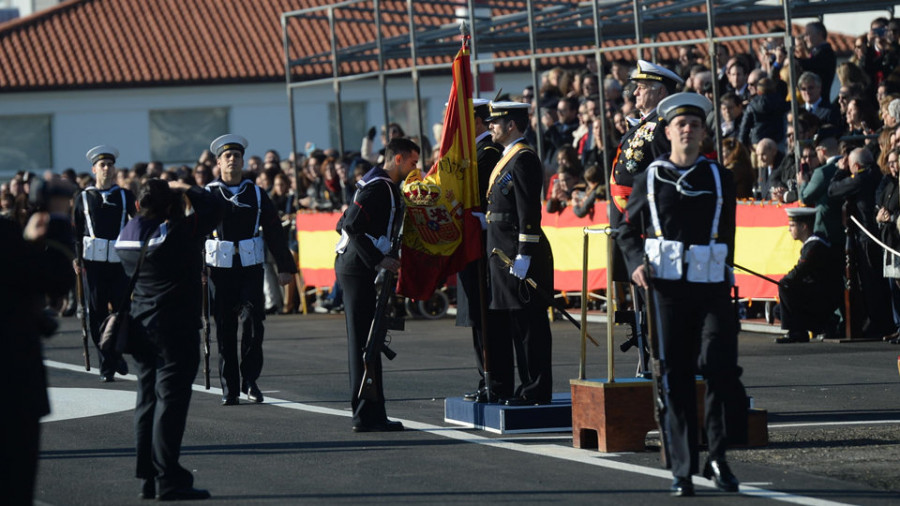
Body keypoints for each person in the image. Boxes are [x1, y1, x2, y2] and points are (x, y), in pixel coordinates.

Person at [618, 92, 745, 496]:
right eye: (681, 125)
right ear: (668, 132)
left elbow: (728, 230)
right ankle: (682, 468)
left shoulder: (718, 177)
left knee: (720, 368)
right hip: (668, 290)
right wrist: (636, 261)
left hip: (711, 288)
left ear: (704, 133)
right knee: (674, 377)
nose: (688, 130)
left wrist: (725, 270)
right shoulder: (651, 177)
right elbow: (623, 229)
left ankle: (718, 458)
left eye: (695, 125)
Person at [116, 178, 222, 501]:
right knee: (170, 405)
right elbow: (216, 209)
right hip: (174, 328)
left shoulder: (126, 235)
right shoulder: (176, 233)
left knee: (146, 401)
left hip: (141, 324)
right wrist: (188, 188)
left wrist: (172, 201)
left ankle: (148, 476)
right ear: (169, 207)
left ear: (136, 205)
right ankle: (168, 477)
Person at [204, 135, 296, 405]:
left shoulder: (255, 193)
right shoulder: (208, 194)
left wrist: (284, 267)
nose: (232, 160)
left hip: (250, 267)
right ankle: (229, 387)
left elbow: (275, 231)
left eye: (237, 156)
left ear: (243, 161)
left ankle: (250, 380)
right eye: (227, 156)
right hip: (219, 271)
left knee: (255, 323)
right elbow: (195, 233)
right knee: (225, 328)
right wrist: (197, 268)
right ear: (218, 162)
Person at [334, 137, 419, 432]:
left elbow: (344, 221)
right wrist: (378, 258)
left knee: (369, 341)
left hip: (358, 265)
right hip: (356, 267)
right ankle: (364, 414)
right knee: (363, 343)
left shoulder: (378, 183)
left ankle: (372, 412)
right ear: (397, 159)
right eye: (412, 162)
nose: (414, 167)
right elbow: (349, 225)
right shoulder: (379, 187)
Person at [1, 185, 75, 505]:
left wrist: (26, 244)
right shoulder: (3, 232)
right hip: (11, 380)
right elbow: (56, 278)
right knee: (14, 486)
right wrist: (57, 215)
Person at [484, 101, 555, 406]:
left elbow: (529, 210)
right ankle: (527, 386)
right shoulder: (508, 158)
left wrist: (526, 251)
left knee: (530, 326)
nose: (490, 126)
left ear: (511, 125)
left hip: (518, 252)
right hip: (505, 251)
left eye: (495, 122)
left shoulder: (522, 159)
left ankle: (535, 388)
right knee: (517, 324)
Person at [457, 99, 513, 403]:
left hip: (483, 246)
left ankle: (496, 380)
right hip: (471, 245)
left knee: (488, 320)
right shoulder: (471, 154)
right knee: (478, 320)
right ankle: (486, 378)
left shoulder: (487, 153)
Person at [72, 145, 136, 382]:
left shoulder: (124, 195)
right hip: (93, 263)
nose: (107, 169)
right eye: (102, 165)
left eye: (110, 165)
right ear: (94, 169)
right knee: (97, 314)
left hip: (118, 264)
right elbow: (77, 231)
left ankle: (116, 352)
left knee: (121, 312)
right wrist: (76, 258)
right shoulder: (83, 198)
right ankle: (106, 364)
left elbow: (136, 224)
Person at [775, 207, 843, 343]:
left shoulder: (815, 245)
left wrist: (785, 281)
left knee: (785, 286)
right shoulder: (812, 243)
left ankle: (797, 332)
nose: (789, 229)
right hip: (817, 292)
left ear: (804, 226)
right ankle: (821, 325)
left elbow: (799, 272)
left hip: (825, 296)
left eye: (792, 225)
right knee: (778, 310)